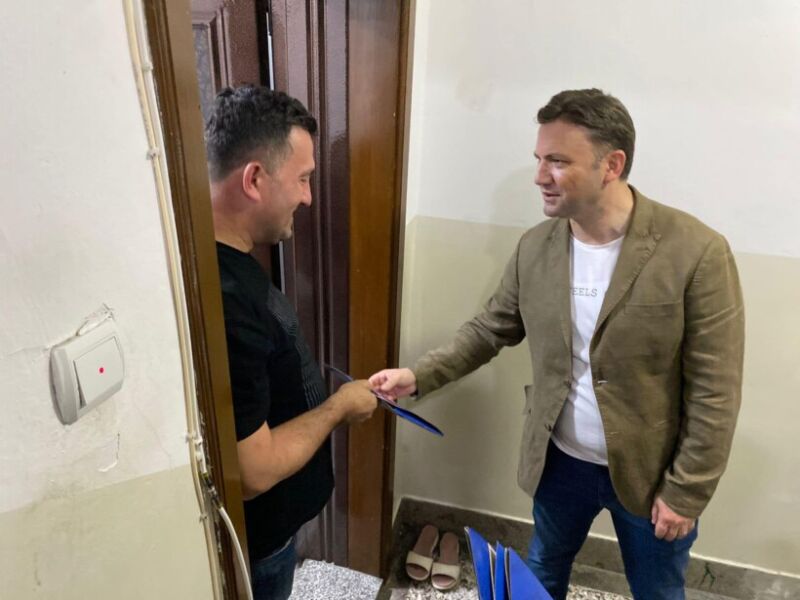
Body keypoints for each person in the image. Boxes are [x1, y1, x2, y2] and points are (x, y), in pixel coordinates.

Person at [370, 88, 744, 600]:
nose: (540, 176)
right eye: (539, 159)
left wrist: (686, 491)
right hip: (559, 460)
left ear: (612, 165)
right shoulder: (536, 247)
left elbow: (715, 390)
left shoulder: (697, 252)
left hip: (650, 471)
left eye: (558, 161)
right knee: (542, 570)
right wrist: (418, 376)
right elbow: (491, 328)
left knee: (657, 590)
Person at [206, 86, 378, 600]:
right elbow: (254, 471)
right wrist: (339, 407)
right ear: (254, 179)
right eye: (302, 179)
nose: (308, 197)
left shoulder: (233, 264)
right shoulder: (227, 298)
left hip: (276, 533)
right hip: (261, 548)